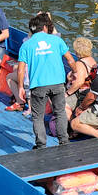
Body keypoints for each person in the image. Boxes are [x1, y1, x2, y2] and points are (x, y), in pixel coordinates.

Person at [16, 11, 75, 149]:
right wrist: (75, 72)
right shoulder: (57, 40)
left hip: (38, 85)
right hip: (57, 83)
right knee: (59, 112)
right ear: (44, 28)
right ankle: (64, 141)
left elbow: (21, 69)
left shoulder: (26, 45)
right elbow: (71, 60)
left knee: (38, 116)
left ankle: (41, 145)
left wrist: (20, 87)